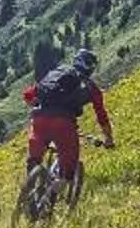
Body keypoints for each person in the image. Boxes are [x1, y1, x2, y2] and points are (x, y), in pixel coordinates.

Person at [22, 46, 113, 195]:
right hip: (64, 124)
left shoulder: (58, 72)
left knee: (34, 158)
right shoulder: (92, 88)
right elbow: (101, 116)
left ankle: (29, 191)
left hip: (40, 118)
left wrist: (35, 104)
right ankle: (49, 198)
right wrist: (108, 138)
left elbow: (29, 93)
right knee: (68, 171)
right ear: (91, 68)